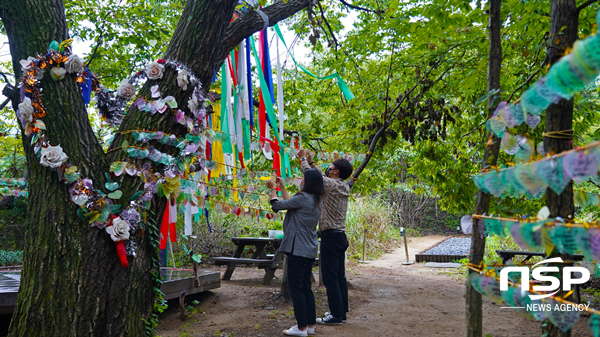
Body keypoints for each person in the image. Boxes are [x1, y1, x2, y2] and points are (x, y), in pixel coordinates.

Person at [297, 149, 353, 326]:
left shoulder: (332, 185)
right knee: (339, 277)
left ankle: (336, 316)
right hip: (339, 237)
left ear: (336, 171)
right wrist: (312, 162)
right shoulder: (341, 186)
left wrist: (303, 160)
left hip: (330, 237)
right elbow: (319, 174)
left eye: (331, 167)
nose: (328, 169)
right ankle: (341, 313)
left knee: (330, 278)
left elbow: (313, 177)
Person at [267, 169, 325, 337]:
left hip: (297, 249)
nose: (300, 180)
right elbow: (290, 203)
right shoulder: (316, 200)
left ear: (308, 182)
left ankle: (301, 328)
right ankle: (310, 325)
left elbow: (277, 206)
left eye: (303, 178)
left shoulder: (302, 198)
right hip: (309, 249)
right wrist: (282, 187)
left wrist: (273, 189)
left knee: (296, 288)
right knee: (306, 287)